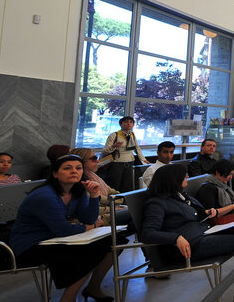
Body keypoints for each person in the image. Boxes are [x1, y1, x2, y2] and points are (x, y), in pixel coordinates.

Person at [140, 163, 234, 302]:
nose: (187, 177)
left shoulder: (180, 197)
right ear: (174, 179)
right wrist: (176, 238)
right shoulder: (157, 203)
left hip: (204, 233)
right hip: (192, 245)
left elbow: (192, 215)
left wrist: (207, 213)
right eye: (184, 175)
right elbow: (147, 233)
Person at [10, 155, 114, 302]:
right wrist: (90, 227)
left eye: (78, 168)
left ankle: (93, 287)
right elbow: (65, 230)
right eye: (67, 168)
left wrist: (94, 195)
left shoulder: (77, 191)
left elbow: (88, 219)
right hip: (30, 245)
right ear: (55, 173)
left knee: (112, 244)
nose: (74, 171)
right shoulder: (45, 195)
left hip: (55, 239)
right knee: (89, 251)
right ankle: (68, 298)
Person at [71, 147, 130, 226]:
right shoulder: (78, 182)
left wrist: (102, 199)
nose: (97, 161)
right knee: (134, 213)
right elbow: (91, 208)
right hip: (97, 219)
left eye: (97, 158)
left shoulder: (94, 177)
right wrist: (111, 206)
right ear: (82, 161)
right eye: (94, 159)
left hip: (104, 214)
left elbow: (118, 196)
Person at [101, 116, 149, 192]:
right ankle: (113, 201)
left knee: (127, 185)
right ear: (120, 124)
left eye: (131, 122)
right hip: (116, 163)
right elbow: (105, 151)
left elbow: (137, 148)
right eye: (126, 122)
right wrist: (114, 146)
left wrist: (143, 159)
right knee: (114, 184)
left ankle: (124, 202)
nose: (128, 124)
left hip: (130, 162)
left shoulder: (132, 135)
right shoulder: (114, 135)